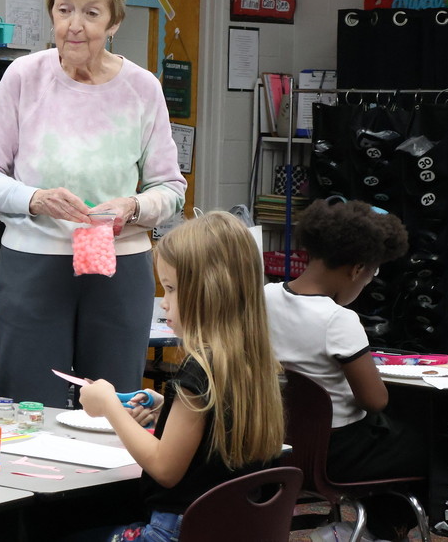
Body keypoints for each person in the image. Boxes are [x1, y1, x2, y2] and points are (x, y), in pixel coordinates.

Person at [0, 0, 186, 407]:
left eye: (91, 13)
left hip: (118, 265)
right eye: (64, 9)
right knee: (30, 405)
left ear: (114, 21)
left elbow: (170, 188)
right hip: (34, 263)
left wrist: (134, 207)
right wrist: (35, 199)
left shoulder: (142, 88)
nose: (75, 26)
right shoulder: (24, 77)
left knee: (112, 408)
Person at [71, 211, 284, 541]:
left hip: (174, 532)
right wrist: (166, 407)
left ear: (209, 292)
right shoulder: (250, 361)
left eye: (171, 289)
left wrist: (109, 406)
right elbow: (214, 435)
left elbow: (165, 469)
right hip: (228, 529)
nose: (164, 304)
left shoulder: (199, 369)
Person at [263, 198, 425, 540]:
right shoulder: (338, 319)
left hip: (277, 443)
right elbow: (375, 401)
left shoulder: (265, 298)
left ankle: (359, 529)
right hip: (336, 454)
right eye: (371, 274)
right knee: (424, 445)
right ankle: (379, 532)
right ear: (356, 269)